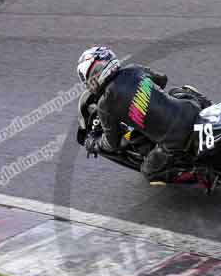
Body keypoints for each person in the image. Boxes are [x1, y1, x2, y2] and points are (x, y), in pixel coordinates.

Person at [75, 46, 213, 181]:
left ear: (95, 75)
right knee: (178, 91)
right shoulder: (134, 69)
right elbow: (162, 79)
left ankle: (199, 174)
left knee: (149, 172)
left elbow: (113, 144)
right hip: (189, 108)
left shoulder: (105, 105)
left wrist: (93, 142)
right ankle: (212, 109)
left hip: (174, 139)